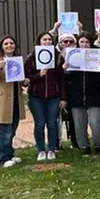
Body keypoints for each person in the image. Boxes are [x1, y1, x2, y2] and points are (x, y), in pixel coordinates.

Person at [24, 32, 66, 161]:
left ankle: (52, 149)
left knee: (52, 124)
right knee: (40, 124)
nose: (47, 42)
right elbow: (25, 77)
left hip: (54, 96)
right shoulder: (32, 57)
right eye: (44, 39)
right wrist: (39, 75)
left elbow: (62, 79)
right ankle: (41, 150)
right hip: (36, 96)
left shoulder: (58, 57)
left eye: (49, 39)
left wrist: (63, 97)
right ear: (39, 41)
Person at [0, 36, 27, 167]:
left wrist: (24, 81)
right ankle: (1, 159)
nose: (9, 45)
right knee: (3, 131)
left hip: (15, 99)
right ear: (2, 46)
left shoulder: (17, 60)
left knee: (12, 129)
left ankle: (9, 154)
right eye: (6, 43)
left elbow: (18, 79)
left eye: (11, 43)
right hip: (3, 101)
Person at [64, 32, 100, 155]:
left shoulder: (98, 55)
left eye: (87, 42)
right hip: (76, 95)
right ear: (77, 43)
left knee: (95, 122)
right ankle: (84, 146)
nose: (84, 44)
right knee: (79, 123)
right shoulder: (71, 56)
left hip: (94, 95)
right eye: (81, 42)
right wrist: (65, 69)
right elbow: (66, 79)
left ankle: (99, 144)